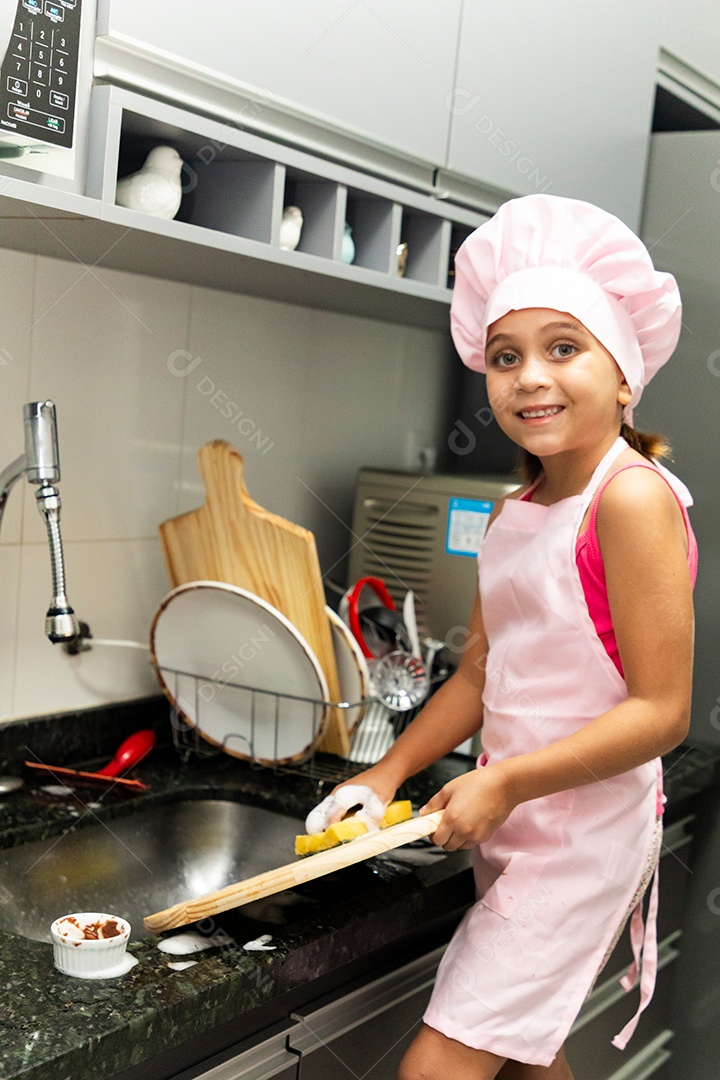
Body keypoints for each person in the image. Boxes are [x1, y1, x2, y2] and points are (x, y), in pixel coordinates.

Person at [307, 194, 697, 1079]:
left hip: (583, 830)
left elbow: (664, 712)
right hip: (517, 813)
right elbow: (479, 672)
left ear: (625, 372)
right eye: (505, 356)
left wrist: (508, 781)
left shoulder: (630, 499)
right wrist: (387, 772)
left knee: (437, 1068)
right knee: (526, 1059)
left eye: (564, 348)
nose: (530, 376)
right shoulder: (514, 510)